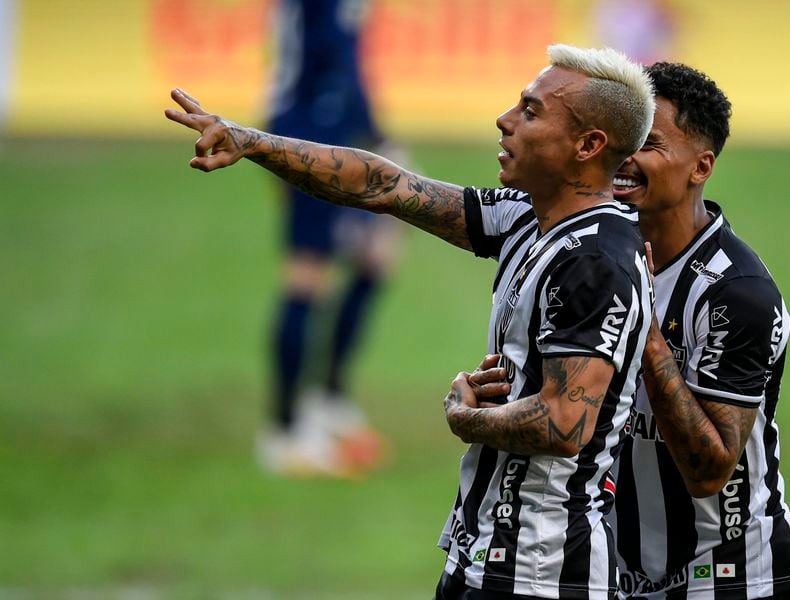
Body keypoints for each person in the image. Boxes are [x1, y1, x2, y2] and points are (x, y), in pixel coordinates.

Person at [166, 43, 655, 599]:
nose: (506, 120)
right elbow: (385, 185)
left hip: (542, 576)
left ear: (588, 146)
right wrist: (252, 142)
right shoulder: (527, 218)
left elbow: (565, 424)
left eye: (532, 111)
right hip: (483, 555)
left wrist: (468, 420)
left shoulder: (593, 262)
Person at [608, 63, 790, 598]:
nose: (625, 157)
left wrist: (645, 332)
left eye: (647, 144)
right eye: (620, 139)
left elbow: (708, 469)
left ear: (700, 167)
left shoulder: (737, 292)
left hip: (729, 580)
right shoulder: (598, 251)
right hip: (619, 574)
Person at [260, 0, 400, 478]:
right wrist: (378, 138)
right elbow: (336, 56)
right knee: (307, 275)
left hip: (324, 123)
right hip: (313, 128)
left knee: (375, 259)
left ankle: (326, 398)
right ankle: (284, 431)